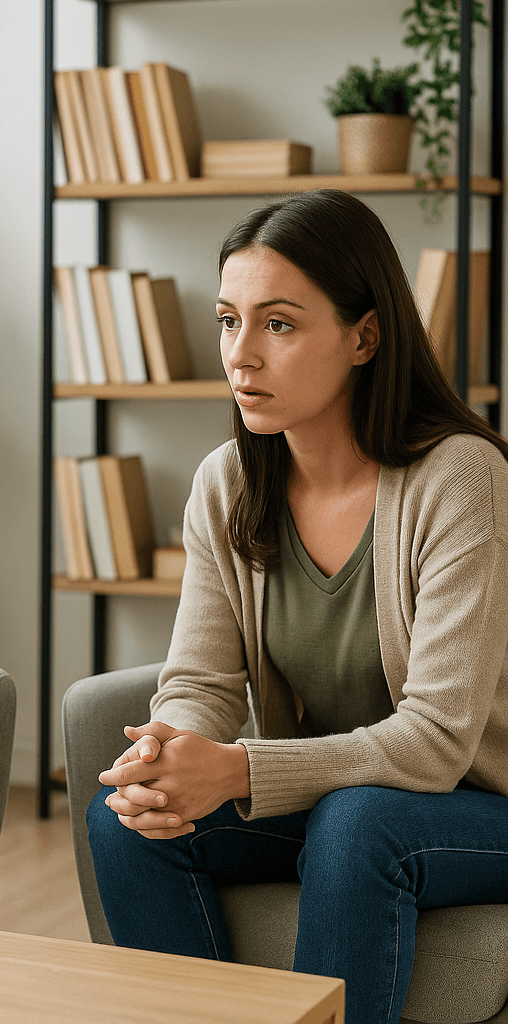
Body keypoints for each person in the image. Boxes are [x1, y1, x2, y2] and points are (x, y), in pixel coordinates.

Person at [85, 189, 508, 1024]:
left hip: (478, 804)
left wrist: (238, 768)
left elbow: (435, 743)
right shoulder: (229, 483)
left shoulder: (460, 479)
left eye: (278, 324)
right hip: (346, 794)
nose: (241, 356)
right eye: (227, 321)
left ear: (365, 335)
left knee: (358, 826)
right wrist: (168, 752)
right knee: (125, 821)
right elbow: (202, 678)